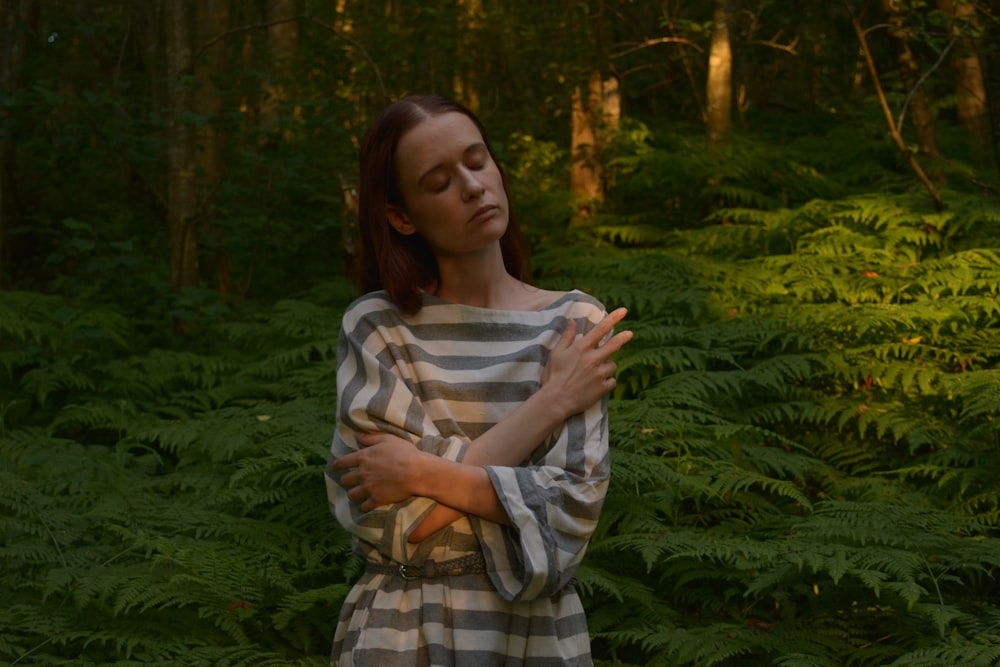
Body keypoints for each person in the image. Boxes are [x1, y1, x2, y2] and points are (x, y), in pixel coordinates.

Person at [325, 93, 632, 667]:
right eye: (438, 181)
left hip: (534, 636)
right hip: (401, 633)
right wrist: (549, 404)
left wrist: (421, 470)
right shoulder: (378, 328)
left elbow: (569, 508)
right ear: (401, 215)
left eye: (476, 160)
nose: (471, 186)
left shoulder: (573, 325)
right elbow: (393, 522)